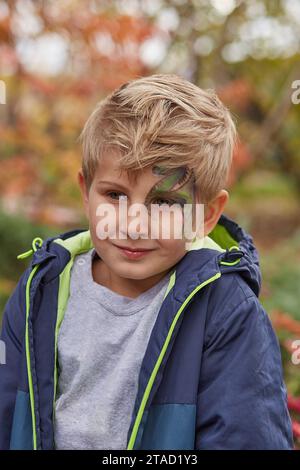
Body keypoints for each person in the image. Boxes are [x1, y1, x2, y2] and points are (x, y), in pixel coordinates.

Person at [0, 74, 294, 450]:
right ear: (85, 192)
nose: (134, 223)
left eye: (166, 203)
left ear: (207, 215)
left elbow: (248, 437)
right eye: (114, 194)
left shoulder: (226, 312)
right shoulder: (40, 291)